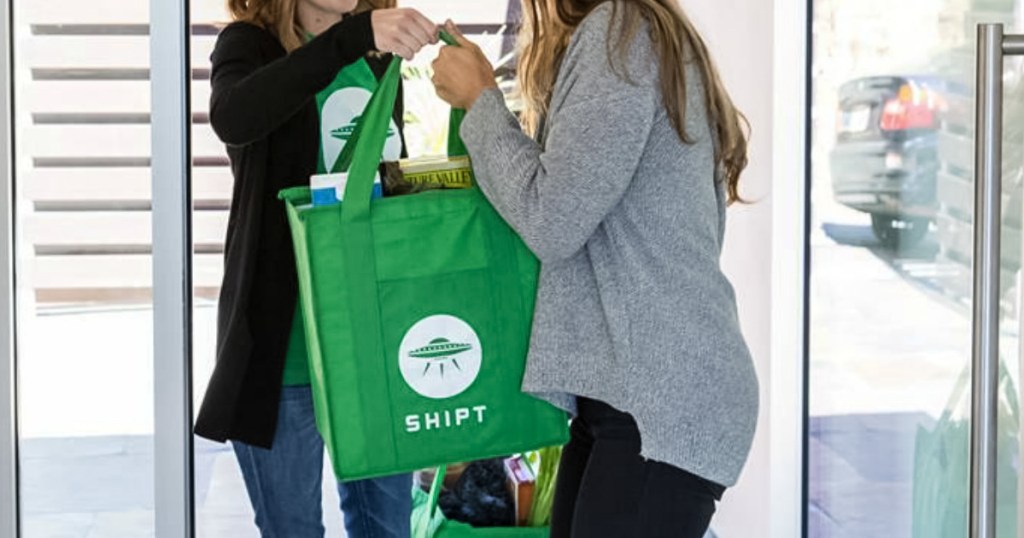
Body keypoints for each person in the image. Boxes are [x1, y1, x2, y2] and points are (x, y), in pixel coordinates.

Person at [431, 1, 759, 536]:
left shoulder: (621, 36)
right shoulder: (635, 32)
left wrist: (480, 101)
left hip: (657, 400)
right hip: (628, 393)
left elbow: (552, 220)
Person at [193, 1, 436, 536]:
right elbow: (233, 119)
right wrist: (351, 37)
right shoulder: (249, 46)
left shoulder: (376, 59)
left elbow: (379, 188)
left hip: (373, 347)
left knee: (387, 528)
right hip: (285, 354)